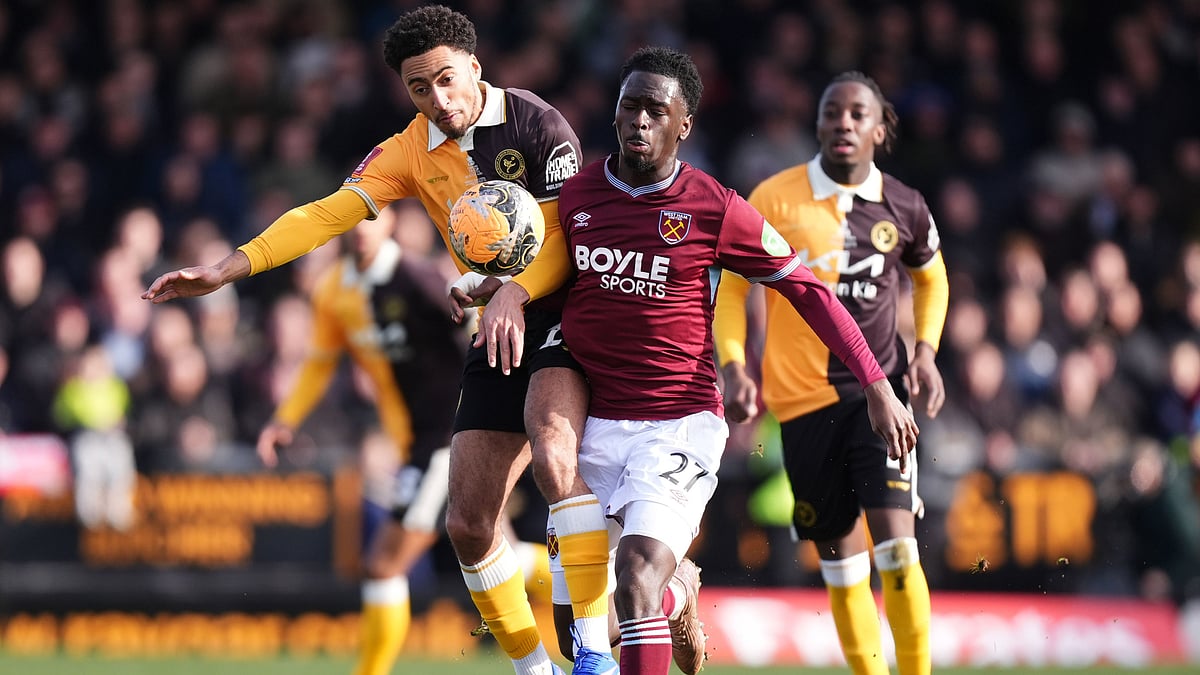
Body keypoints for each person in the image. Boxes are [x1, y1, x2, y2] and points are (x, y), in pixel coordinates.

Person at [141, 7, 617, 675]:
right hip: (500, 323)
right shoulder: (407, 152)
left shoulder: (537, 123)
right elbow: (325, 214)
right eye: (419, 88)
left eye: (448, 80)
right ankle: (536, 668)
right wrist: (229, 267)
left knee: (555, 459)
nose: (438, 100)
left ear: (475, 68)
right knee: (469, 528)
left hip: (570, 315)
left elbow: (573, 234)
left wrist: (507, 287)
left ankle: (594, 656)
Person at [475, 47, 917, 675]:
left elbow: (808, 291)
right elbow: (540, 263)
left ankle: (663, 589)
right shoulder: (579, 195)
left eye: (657, 111)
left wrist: (878, 383)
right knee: (584, 617)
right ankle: (678, 594)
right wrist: (496, 287)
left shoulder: (716, 207)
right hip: (594, 423)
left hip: (677, 423)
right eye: (631, 108)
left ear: (684, 124)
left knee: (632, 580)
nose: (640, 122)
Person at [714, 71, 949, 675]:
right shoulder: (773, 197)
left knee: (898, 548)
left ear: (879, 129)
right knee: (842, 562)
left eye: (856, 113)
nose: (842, 122)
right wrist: (734, 364)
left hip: (880, 398)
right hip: (799, 406)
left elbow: (932, 276)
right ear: (817, 123)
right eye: (831, 112)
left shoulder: (906, 206)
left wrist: (924, 350)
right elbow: (735, 289)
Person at [254, 205, 550, 675]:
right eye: (352, 220)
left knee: (384, 563)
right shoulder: (334, 291)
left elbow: (475, 339)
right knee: (502, 554)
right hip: (414, 441)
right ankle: (602, 588)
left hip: (447, 438)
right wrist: (285, 418)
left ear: (390, 223)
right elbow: (319, 361)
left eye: (371, 218)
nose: (362, 230)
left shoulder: (418, 280)